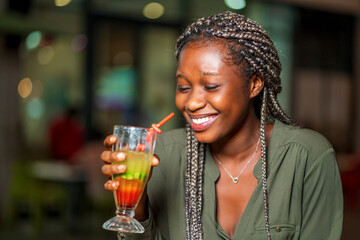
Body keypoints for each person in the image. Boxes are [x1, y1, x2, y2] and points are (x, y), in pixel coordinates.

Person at [101, 12, 343, 240]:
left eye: (211, 86)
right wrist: (136, 202)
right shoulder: (163, 153)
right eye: (184, 87)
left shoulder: (307, 156)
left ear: (254, 85)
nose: (192, 103)